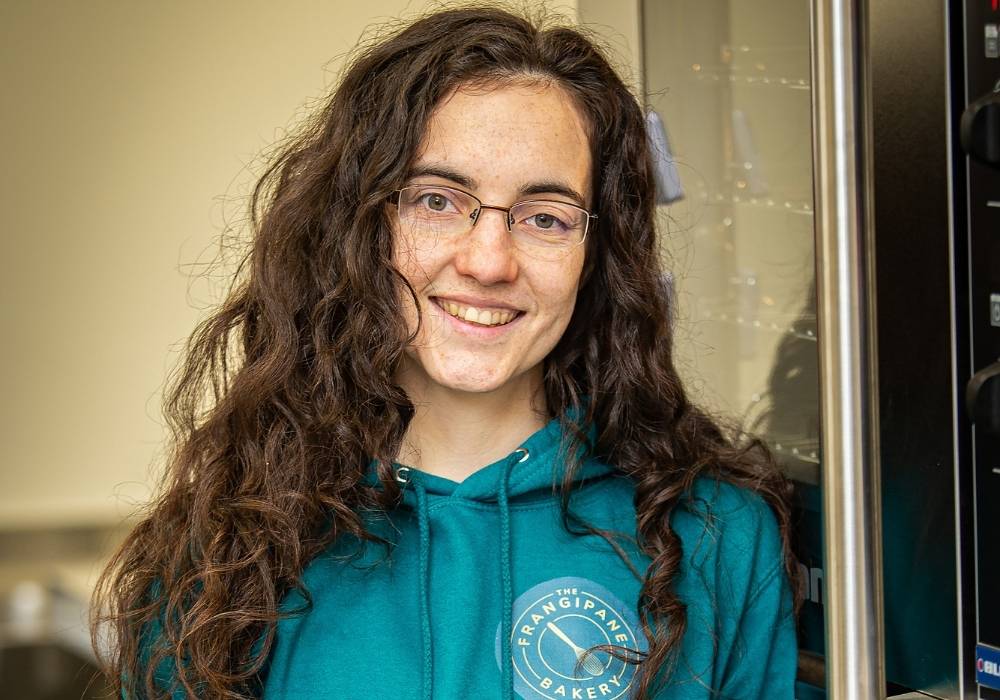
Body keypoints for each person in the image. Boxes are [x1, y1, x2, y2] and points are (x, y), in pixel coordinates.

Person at [91, 6, 800, 699]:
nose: (489, 261)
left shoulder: (713, 535)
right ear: (360, 224)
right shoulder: (231, 544)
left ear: (597, 258)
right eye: (435, 200)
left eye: (545, 217)